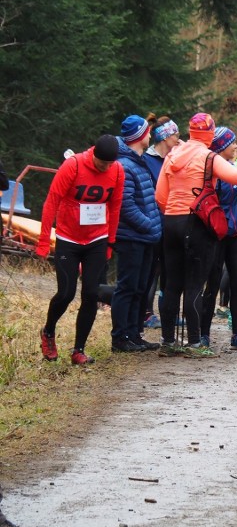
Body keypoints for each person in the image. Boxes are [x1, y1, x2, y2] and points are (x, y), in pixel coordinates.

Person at [155, 113, 237, 357]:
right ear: (210, 132)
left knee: (172, 284)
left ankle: (167, 341)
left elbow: (160, 196)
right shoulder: (208, 157)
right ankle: (195, 343)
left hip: (171, 221)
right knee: (195, 284)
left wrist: (173, 213)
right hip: (194, 222)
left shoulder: (173, 154)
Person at [37, 135, 125, 365]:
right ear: (93, 152)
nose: (105, 167)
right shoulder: (73, 165)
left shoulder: (117, 171)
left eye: (109, 164)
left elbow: (115, 207)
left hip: (97, 239)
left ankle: (79, 350)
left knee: (91, 295)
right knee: (65, 294)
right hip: (68, 238)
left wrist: (110, 242)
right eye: (101, 163)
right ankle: (48, 332)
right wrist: (43, 240)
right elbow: (52, 201)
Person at [111, 115, 162, 353]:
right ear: (139, 136)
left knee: (140, 287)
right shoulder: (125, 164)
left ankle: (134, 334)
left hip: (145, 236)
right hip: (132, 236)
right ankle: (120, 337)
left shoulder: (138, 161)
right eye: (147, 132)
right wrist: (150, 225)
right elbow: (126, 205)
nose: (150, 135)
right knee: (127, 286)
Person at [200, 127, 237, 351]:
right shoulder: (210, 171)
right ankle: (203, 334)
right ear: (222, 146)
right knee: (211, 284)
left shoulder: (233, 168)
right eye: (232, 143)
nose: (236, 147)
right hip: (215, 235)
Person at [142, 116, 180, 328]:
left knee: (170, 269)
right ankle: (146, 312)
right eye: (175, 134)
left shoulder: (175, 158)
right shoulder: (148, 160)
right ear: (164, 137)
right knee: (151, 270)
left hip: (172, 221)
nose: (178, 138)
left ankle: (169, 312)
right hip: (153, 221)